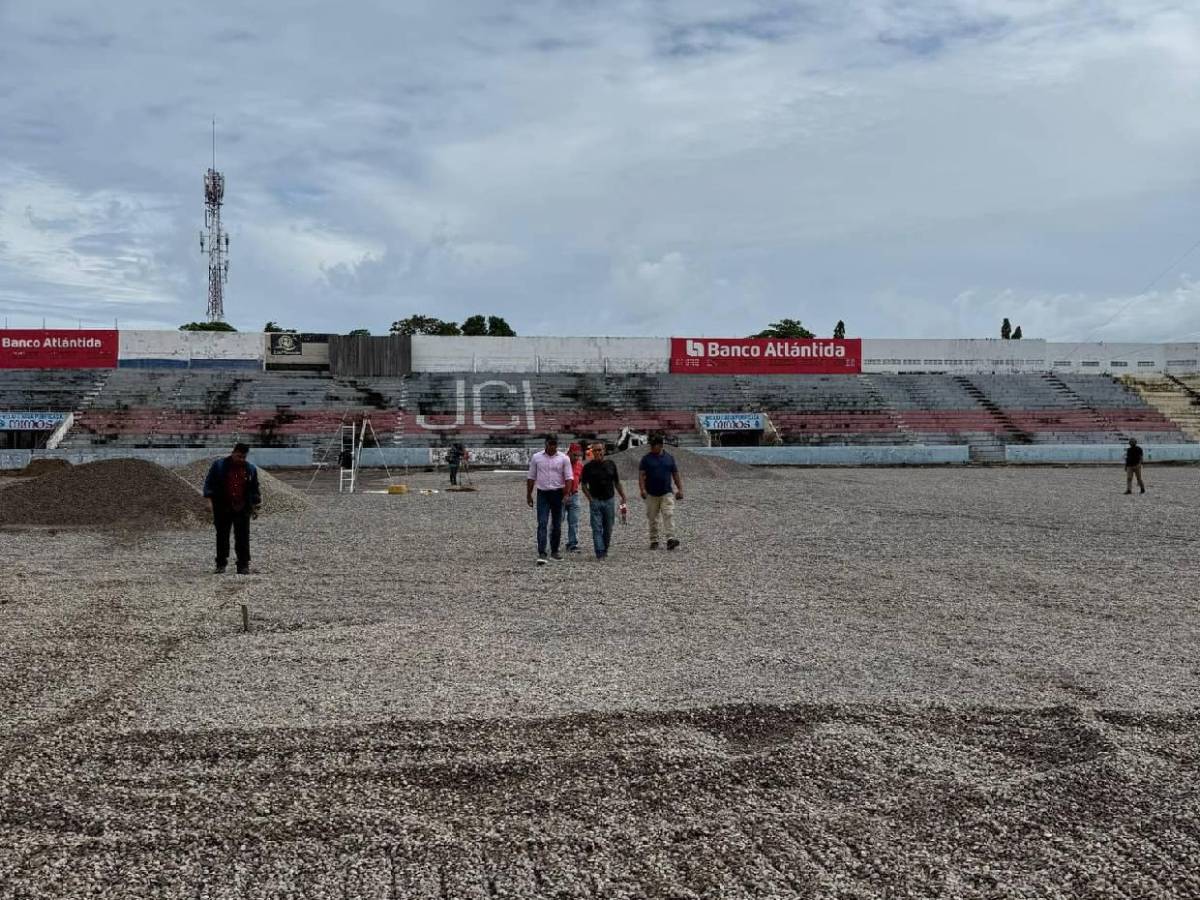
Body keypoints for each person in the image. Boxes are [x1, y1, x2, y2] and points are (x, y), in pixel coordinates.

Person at [203, 442, 262, 574]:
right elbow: (209, 483)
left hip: (242, 507)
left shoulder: (250, 469)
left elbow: (254, 488)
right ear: (233, 453)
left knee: (243, 537)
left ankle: (243, 565)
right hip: (222, 506)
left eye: (243, 457)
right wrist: (209, 501)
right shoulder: (219, 466)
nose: (241, 459)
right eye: (239, 456)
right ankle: (221, 564)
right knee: (222, 536)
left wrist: (255, 505)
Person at [526, 434, 574, 565]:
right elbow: (531, 477)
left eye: (555, 444)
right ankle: (542, 552)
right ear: (546, 443)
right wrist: (529, 494)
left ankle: (554, 550)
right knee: (542, 523)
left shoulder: (564, 458)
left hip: (558, 493)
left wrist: (566, 494)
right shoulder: (536, 458)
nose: (553, 446)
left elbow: (569, 477)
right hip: (543, 493)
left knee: (557, 524)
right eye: (551, 444)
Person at [580, 441, 627, 559]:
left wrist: (623, 496)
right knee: (596, 528)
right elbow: (583, 485)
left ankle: (605, 548)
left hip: (609, 500)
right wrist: (590, 499)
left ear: (604, 450)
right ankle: (599, 552)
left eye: (600, 450)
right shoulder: (588, 467)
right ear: (592, 452)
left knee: (608, 527)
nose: (598, 452)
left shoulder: (611, 464)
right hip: (595, 500)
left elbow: (616, 482)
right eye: (595, 450)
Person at [638, 435, 684, 550]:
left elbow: (675, 474)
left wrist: (680, 489)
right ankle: (654, 540)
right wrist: (642, 489)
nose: (651, 448)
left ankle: (670, 539)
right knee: (652, 517)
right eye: (651, 445)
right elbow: (641, 475)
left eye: (653, 445)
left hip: (666, 492)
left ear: (660, 446)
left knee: (668, 514)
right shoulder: (646, 459)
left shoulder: (669, 458)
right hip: (651, 493)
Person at [563, 444, 585, 552]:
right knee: (557, 521)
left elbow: (580, 479)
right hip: (561, 496)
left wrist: (574, 488)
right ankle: (553, 543)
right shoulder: (561, 463)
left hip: (574, 495)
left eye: (578, 456)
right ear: (569, 453)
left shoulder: (580, 465)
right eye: (574, 455)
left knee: (574, 521)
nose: (576, 458)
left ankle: (572, 544)